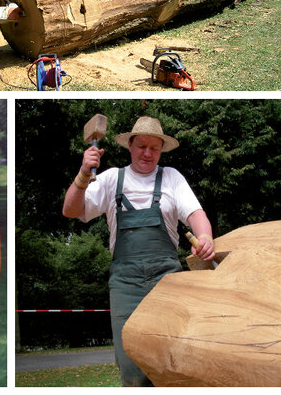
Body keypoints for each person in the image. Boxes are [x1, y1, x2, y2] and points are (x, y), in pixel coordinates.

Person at [62, 116, 216, 387]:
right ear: (130, 146)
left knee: (173, 359)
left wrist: (204, 237)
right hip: (125, 284)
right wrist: (84, 173)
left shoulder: (171, 178)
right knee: (131, 365)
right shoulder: (111, 179)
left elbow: (196, 214)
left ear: (161, 150)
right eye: (141, 146)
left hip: (167, 282)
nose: (147, 153)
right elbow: (71, 210)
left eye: (154, 148)